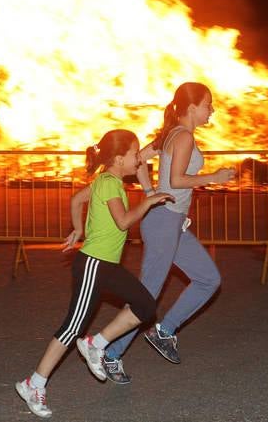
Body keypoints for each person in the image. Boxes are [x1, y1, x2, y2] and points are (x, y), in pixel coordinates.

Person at [16, 129, 174, 418]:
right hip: (93, 264)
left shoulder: (105, 179)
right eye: (134, 154)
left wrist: (79, 229)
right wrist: (148, 202)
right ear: (118, 159)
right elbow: (124, 221)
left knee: (145, 305)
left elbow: (77, 200)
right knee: (72, 327)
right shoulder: (111, 184)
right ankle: (33, 384)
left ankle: (95, 344)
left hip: (106, 265)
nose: (138, 159)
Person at [101, 82, 236, 384]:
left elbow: (139, 161)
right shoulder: (183, 135)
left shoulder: (170, 133)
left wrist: (150, 191)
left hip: (171, 221)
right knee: (146, 296)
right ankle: (108, 352)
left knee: (208, 279)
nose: (211, 110)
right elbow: (176, 181)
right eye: (208, 104)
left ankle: (164, 330)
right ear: (192, 108)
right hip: (163, 222)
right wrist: (214, 177)